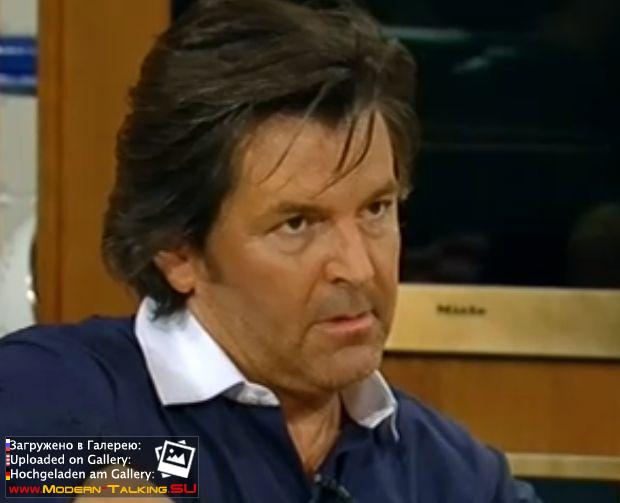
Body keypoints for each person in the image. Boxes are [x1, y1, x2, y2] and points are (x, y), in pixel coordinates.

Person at [0, 0, 540, 501]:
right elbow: (55, 466)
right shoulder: (53, 403)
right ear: (178, 250)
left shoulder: (452, 476)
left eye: (376, 209)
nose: (358, 268)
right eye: (298, 224)